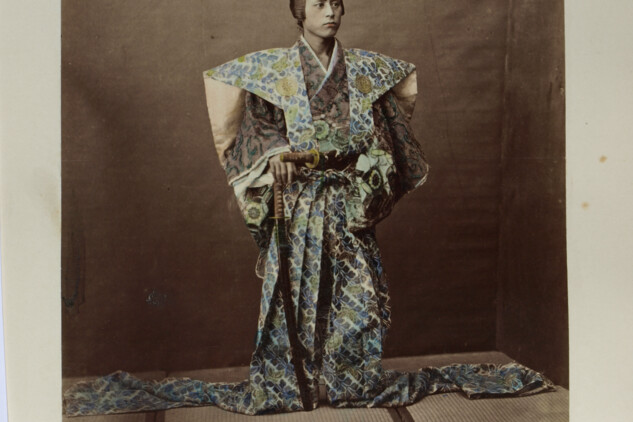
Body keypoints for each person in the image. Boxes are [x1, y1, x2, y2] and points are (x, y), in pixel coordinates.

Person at [63, 0, 553, 416]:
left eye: (337, 2)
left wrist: (367, 165)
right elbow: (258, 127)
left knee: (356, 295)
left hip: (348, 200)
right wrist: (276, 154)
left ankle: (349, 379)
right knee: (292, 292)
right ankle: (291, 381)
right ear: (298, 12)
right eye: (318, 3)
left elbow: (387, 134)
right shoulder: (276, 72)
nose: (331, 11)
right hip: (297, 201)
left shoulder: (364, 72)